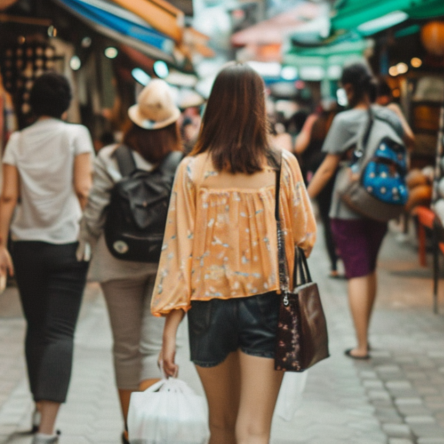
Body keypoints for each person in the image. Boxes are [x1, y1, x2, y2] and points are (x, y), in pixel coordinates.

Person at [154, 63, 317, 444]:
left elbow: (177, 254)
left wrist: (169, 331)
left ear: (215, 108)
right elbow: (306, 237)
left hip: (207, 308)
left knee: (221, 427)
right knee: (254, 430)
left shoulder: (192, 170)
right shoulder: (282, 165)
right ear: (259, 108)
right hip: (267, 302)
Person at [79, 80, 182, 444]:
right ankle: (150, 429)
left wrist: (85, 242)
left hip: (116, 259)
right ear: (173, 124)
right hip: (164, 266)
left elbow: (95, 209)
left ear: (133, 121)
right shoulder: (182, 162)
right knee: (153, 347)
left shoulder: (110, 157)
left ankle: (130, 429)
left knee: (124, 348)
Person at [0, 73, 93, 444]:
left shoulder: (17, 140)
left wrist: (0, 245)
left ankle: (39, 411)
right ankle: (46, 430)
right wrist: (93, 236)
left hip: (26, 247)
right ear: (66, 104)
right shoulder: (76, 135)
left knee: (36, 326)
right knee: (60, 331)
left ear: (32, 104)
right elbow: (84, 189)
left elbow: (8, 197)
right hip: (68, 244)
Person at [306, 63, 413, 360]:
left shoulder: (344, 120)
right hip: (381, 203)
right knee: (370, 269)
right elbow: (411, 142)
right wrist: (398, 113)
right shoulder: (388, 115)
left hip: (350, 205)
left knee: (356, 272)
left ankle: (361, 345)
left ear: (349, 88)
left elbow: (327, 168)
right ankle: (366, 336)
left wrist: (302, 199)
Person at [294, 102, 343, 278]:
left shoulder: (316, 123)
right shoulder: (340, 124)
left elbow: (299, 147)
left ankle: (334, 265)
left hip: (318, 175)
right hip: (337, 177)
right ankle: (341, 259)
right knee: (336, 218)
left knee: (328, 220)